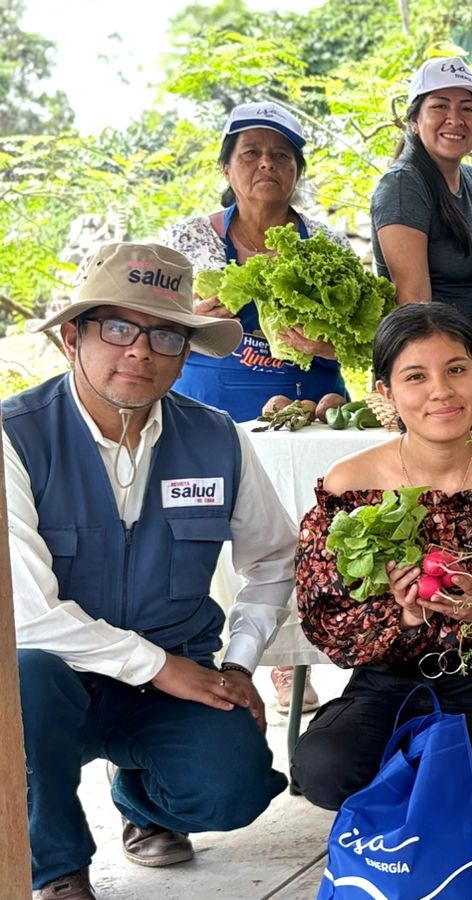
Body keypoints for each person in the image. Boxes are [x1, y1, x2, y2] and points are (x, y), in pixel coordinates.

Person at [5, 243, 293, 900]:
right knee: (22, 681)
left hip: (175, 678)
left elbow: (275, 559)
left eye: (165, 334)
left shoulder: (219, 438)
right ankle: (56, 866)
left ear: (185, 353)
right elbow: (25, 613)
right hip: (54, 683)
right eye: (117, 328)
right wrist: (156, 665)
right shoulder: (13, 437)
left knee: (234, 788)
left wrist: (239, 664)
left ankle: (141, 802)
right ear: (72, 338)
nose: (140, 351)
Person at [289, 302, 472, 809]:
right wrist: (403, 615)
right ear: (385, 392)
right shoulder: (352, 483)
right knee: (327, 768)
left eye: (456, 370)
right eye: (416, 376)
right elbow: (324, 614)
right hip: (388, 673)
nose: (441, 390)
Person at [161, 99, 348, 713]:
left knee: (309, 531)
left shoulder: (324, 243)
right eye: (251, 153)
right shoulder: (188, 240)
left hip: (306, 408)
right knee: (201, 537)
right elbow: (152, 324)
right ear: (227, 167)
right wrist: (190, 318)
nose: (266, 164)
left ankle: (290, 658)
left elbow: (361, 337)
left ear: (297, 170)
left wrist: (324, 342)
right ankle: (197, 652)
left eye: (281, 155)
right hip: (207, 405)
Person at [372, 57, 472, 324]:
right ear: (414, 121)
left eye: (468, 109)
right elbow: (414, 305)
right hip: (437, 346)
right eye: (440, 106)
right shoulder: (403, 186)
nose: (455, 119)